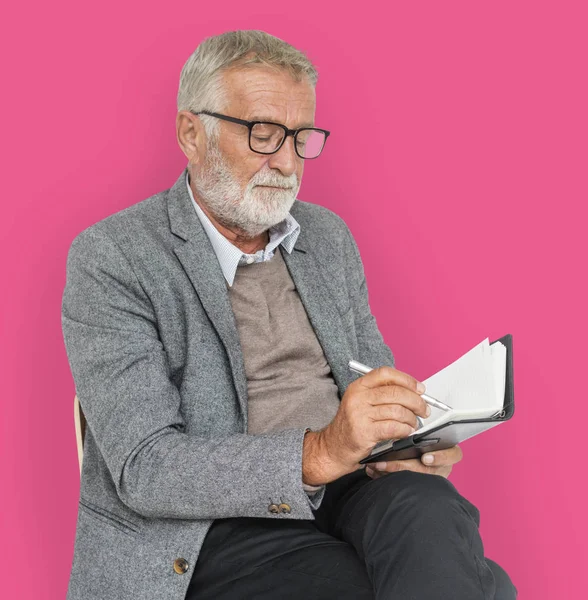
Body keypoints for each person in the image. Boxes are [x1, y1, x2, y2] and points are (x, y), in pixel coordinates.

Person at [61, 29, 517, 600]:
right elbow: (146, 467)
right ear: (191, 133)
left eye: (301, 136)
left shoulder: (326, 237)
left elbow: (369, 380)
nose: (286, 160)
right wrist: (320, 451)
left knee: (431, 508)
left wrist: (406, 441)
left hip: (351, 490)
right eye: (262, 133)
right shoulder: (114, 257)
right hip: (211, 526)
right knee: (469, 585)